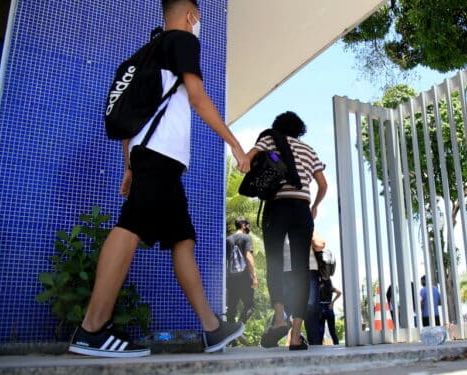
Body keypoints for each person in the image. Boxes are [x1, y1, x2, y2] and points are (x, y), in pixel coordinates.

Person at [68, 0, 250, 358]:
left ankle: (212, 330)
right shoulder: (182, 40)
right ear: (191, 16)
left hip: (152, 160)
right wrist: (236, 146)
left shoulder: (145, 54)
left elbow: (129, 121)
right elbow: (197, 98)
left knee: (182, 240)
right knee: (131, 225)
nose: (199, 24)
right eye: (199, 19)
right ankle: (91, 329)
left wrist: (129, 167)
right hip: (160, 156)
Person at [251, 111, 327, 351]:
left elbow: (251, 157)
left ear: (278, 126)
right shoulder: (308, 150)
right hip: (302, 209)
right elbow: (323, 184)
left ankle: (280, 318)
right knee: (300, 269)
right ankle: (295, 335)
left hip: (277, 207)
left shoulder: (270, 140)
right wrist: (314, 206)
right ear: (299, 129)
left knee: (274, 263)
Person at [225, 217, 258, 326]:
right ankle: (239, 326)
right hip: (244, 278)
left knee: (231, 309)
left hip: (230, 278)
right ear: (243, 225)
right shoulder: (246, 237)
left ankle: (230, 339)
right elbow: (248, 257)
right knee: (250, 306)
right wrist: (254, 277)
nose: (249, 227)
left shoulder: (228, 239)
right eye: (248, 225)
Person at [305, 232, 326, 345]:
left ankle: (274, 331)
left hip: (288, 268)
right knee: (311, 309)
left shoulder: (283, 221)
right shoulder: (307, 222)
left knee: (287, 307)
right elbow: (319, 244)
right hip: (308, 269)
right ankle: (315, 345)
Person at [318, 276, 342, 345]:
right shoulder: (331, 287)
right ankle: (337, 345)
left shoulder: (319, 285)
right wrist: (332, 302)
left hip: (322, 307)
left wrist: (332, 302)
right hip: (329, 307)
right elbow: (339, 292)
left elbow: (339, 292)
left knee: (321, 331)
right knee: (332, 331)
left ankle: (319, 348)